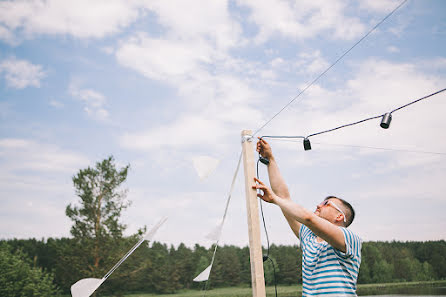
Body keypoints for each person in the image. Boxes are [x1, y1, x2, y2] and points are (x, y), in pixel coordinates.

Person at [253, 138, 362, 297]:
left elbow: (308, 218)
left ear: (340, 216)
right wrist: (270, 159)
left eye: (326, 203)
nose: (319, 205)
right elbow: (284, 197)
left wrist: (275, 200)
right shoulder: (308, 236)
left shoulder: (350, 239)